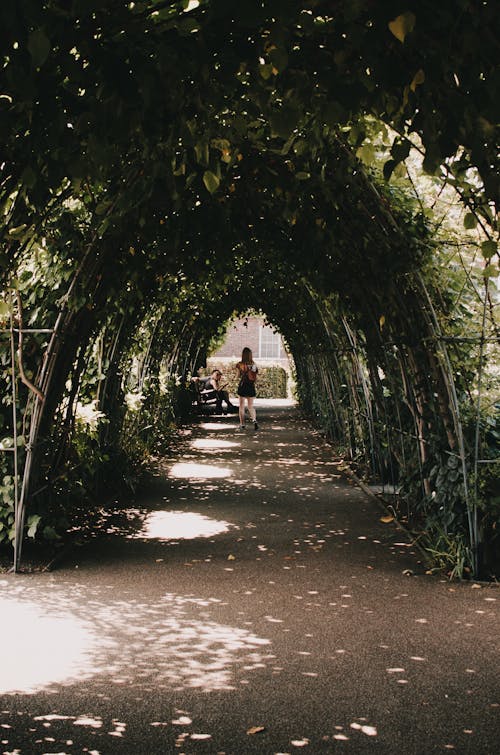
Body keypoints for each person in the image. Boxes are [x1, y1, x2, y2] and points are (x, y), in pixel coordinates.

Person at [236, 347, 258, 430]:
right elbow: (255, 377)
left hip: (243, 386)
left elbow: (238, 376)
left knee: (241, 406)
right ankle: (254, 420)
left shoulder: (240, 364)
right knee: (250, 406)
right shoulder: (253, 365)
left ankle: (242, 424)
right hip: (251, 386)